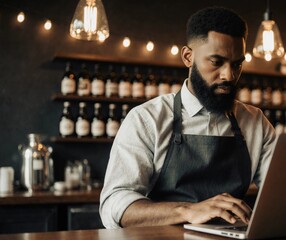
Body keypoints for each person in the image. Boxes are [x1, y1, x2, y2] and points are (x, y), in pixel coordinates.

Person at [100, 6, 276, 228]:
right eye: (216, 62)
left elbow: (283, 193)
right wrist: (189, 211)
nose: (228, 75)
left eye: (237, 64)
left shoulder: (255, 122)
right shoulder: (147, 119)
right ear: (188, 57)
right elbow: (114, 205)